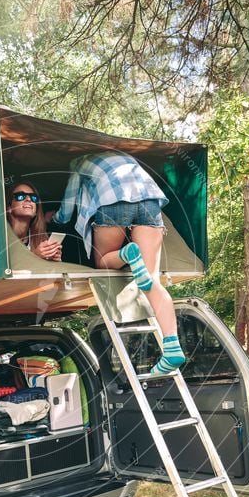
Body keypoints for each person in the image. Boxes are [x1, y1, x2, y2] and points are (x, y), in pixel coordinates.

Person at [52, 151, 185, 375]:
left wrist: (54, 219)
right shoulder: (125, 157)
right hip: (150, 201)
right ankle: (172, 348)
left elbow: (66, 209)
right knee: (152, 279)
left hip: (112, 200)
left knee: (103, 262)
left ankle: (126, 254)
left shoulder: (79, 162)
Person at [6, 180, 62, 261]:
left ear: (36, 211)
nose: (29, 199)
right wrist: (35, 257)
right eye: (21, 196)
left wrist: (53, 261)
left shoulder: (40, 239)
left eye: (33, 197)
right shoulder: (0, 237)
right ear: (9, 208)